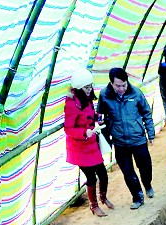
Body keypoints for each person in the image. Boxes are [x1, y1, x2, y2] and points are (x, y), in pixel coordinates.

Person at [97, 67, 155, 209]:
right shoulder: (104, 95)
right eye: (118, 86)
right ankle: (137, 197)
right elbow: (100, 115)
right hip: (120, 141)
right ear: (111, 83)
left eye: (124, 85)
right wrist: (105, 130)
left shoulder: (136, 93)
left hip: (138, 139)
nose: (122, 88)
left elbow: (146, 113)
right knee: (127, 171)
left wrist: (150, 133)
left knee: (145, 167)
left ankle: (147, 184)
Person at [64, 67, 114, 217]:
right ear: (78, 88)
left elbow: (89, 115)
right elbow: (69, 129)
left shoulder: (87, 99)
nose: (90, 89)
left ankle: (103, 197)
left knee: (103, 174)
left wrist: (97, 118)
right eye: (86, 87)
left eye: (90, 86)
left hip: (91, 144)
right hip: (79, 148)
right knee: (91, 177)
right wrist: (84, 133)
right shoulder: (72, 104)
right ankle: (94, 206)